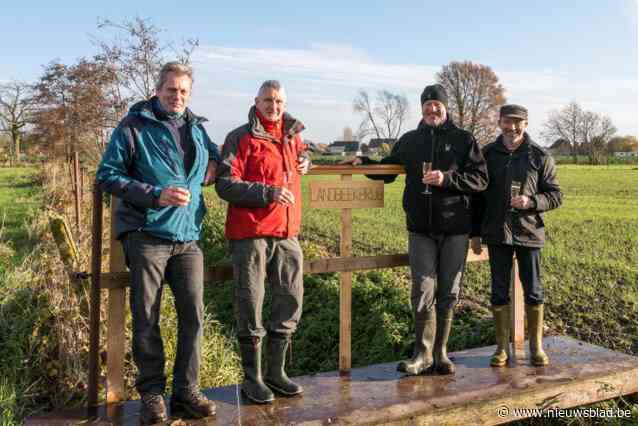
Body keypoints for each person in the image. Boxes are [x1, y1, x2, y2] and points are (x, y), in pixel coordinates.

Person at [96, 62, 218, 424]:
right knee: (147, 317)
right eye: (171, 90)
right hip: (147, 235)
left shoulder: (196, 128)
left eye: (183, 91)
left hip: (188, 236)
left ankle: (186, 391)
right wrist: (155, 194)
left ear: (189, 94)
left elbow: (216, 156)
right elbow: (108, 174)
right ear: (157, 90)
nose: (177, 96)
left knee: (193, 317)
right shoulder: (134, 126)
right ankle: (152, 394)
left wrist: (216, 166)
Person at [344, 84, 488, 375]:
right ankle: (421, 354)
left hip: (455, 228)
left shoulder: (464, 140)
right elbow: (387, 171)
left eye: (437, 105)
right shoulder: (410, 141)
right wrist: (363, 162)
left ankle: (441, 353)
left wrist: (447, 179)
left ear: (445, 108)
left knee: (448, 292)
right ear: (421, 109)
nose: (432, 110)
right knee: (422, 289)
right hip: (420, 229)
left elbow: (480, 179)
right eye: (427, 105)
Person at [215, 80, 310, 404]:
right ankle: (252, 378)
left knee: (290, 298)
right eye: (268, 100)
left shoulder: (294, 136)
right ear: (256, 101)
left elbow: (301, 160)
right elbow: (226, 184)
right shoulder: (239, 137)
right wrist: (266, 193)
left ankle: (275, 372)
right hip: (251, 233)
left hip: (287, 233)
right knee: (250, 302)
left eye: (279, 101)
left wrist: (306, 163)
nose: (274, 106)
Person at [471, 104, 562, 367]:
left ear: (526, 123)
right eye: (506, 122)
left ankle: (536, 347)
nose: (512, 127)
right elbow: (477, 199)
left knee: (534, 291)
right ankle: (501, 349)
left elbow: (556, 195)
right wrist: (475, 233)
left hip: (529, 232)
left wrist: (531, 201)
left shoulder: (539, 156)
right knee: (499, 291)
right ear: (499, 122)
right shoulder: (487, 155)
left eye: (517, 122)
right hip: (497, 233)